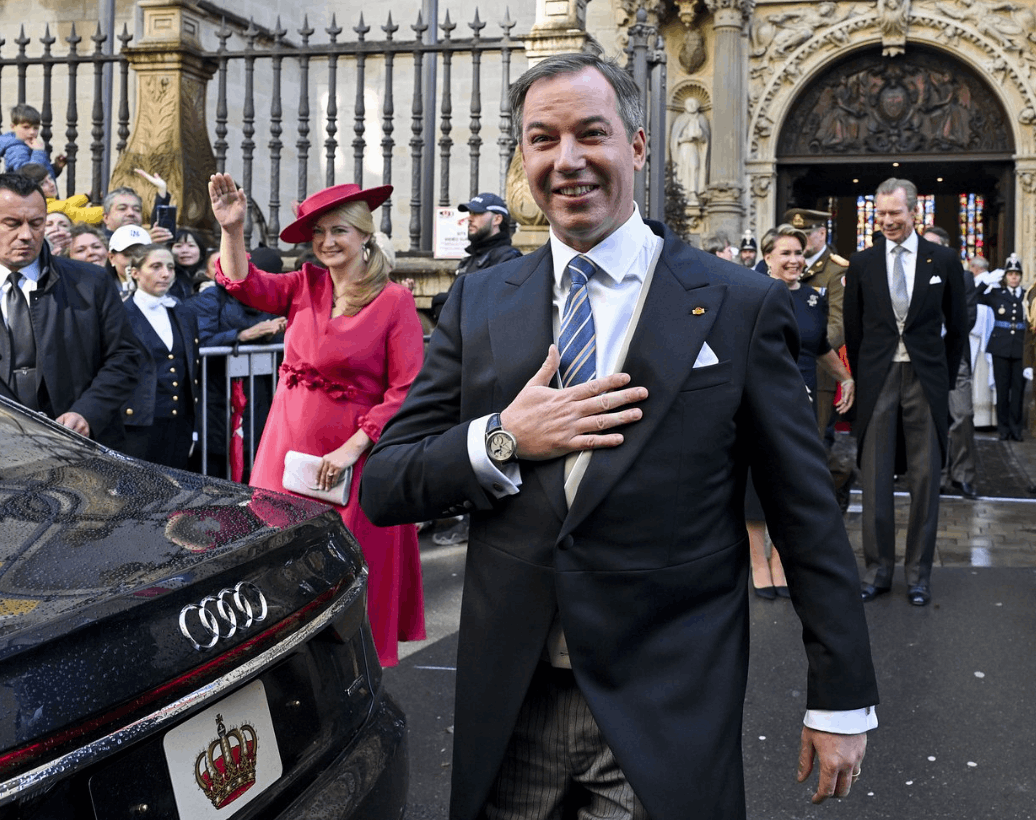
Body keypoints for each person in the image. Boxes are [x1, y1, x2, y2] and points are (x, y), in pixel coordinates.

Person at [359, 53, 877, 820]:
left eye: (590, 134)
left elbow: (804, 514)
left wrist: (839, 699)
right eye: (542, 140)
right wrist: (503, 437)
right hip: (514, 703)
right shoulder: (480, 300)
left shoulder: (738, 304)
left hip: (663, 702)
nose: (567, 161)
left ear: (636, 146)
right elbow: (386, 482)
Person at [208, 173, 426, 668]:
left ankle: (350, 678)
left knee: (347, 574)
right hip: (285, 450)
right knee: (278, 563)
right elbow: (245, 283)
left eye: (339, 231)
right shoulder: (304, 285)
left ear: (363, 234)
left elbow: (407, 388)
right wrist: (233, 230)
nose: (327, 242)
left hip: (352, 461)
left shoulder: (394, 301)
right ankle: (285, 666)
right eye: (319, 233)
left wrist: (354, 447)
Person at [844, 177, 968, 607]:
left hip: (925, 381)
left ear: (914, 212)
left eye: (895, 213)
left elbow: (958, 328)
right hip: (879, 379)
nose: (887, 221)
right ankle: (877, 572)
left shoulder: (944, 259)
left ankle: (918, 576)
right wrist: (864, 377)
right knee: (875, 480)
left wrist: (942, 380)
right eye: (880, 214)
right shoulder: (862, 263)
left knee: (925, 479)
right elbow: (855, 331)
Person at [748, 224, 855, 598]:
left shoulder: (813, 297)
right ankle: (758, 562)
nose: (795, 261)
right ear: (768, 258)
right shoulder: (751, 293)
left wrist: (845, 378)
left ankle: (780, 559)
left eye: (799, 253)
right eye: (786, 254)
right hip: (761, 402)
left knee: (791, 484)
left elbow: (820, 345)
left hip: (803, 403)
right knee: (756, 485)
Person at [0, 172, 140, 447]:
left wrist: (87, 412)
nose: (26, 235)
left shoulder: (91, 282)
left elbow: (124, 358)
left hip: (80, 450)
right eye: (12, 224)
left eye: (37, 223)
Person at [188, 245, 286, 479]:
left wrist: (275, 334)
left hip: (260, 392)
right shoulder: (213, 297)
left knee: (254, 457)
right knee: (218, 464)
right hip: (218, 393)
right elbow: (198, 342)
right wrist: (243, 336)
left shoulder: (275, 300)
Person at [120, 243, 200, 468]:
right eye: (155, 266)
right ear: (135, 273)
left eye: (170, 267)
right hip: (137, 424)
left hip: (180, 423)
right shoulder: (120, 315)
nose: (165, 274)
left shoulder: (184, 312)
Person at [925, 226, 979, 498]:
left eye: (934, 245)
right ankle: (936, 475)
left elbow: (967, 318)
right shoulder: (914, 275)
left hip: (954, 357)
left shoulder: (965, 277)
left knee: (963, 415)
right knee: (930, 419)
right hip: (924, 358)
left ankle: (962, 475)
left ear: (947, 249)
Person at [785, 208, 849, 437]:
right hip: (782, 368)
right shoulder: (782, 265)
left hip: (817, 368)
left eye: (805, 234)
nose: (800, 240)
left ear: (822, 233)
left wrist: (803, 349)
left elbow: (838, 324)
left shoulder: (836, 270)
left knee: (815, 439)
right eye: (795, 233)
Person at [430, 192, 523, 323]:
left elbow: (494, 310)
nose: (470, 218)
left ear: (497, 219)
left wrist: (443, 302)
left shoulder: (509, 259)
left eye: (477, 213)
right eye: (470, 213)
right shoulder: (468, 261)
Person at [977, 253, 1027, 440]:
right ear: (1005, 277)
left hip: (1020, 349)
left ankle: (1016, 429)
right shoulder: (997, 294)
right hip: (1000, 348)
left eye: (1016, 274)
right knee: (1002, 389)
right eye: (1010, 274)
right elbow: (975, 296)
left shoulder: (1027, 295)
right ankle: (1003, 429)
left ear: (1020, 276)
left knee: (1018, 391)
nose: (1013, 277)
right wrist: (986, 281)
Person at [0, 104, 65, 177]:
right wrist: (39, 151)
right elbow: (29, 176)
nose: (32, 132)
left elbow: (42, 176)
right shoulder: (16, 149)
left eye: (35, 128)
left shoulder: (27, 145)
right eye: (26, 127)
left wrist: (56, 168)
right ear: (13, 127)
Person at [669, 97, 710, 201]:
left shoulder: (701, 118)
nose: (692, 106)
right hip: (683, 148)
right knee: (682, 168)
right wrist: (683, 139)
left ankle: (693, 191)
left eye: (694, 103)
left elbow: (706, 138)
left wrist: (700, 136)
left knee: (694, 166)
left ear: (698, 106)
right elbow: (675, 139)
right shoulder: (680, 119)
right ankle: (682, 192)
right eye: (689, 103)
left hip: (694, 147)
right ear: (685, 106)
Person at [107, 224, 152, 298]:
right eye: (127, 254)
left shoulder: (164, 286)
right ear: (111, 257)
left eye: (141, 254)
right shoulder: (101, 291)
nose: (135, 260)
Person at [170, 227, 208, 298]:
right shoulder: (168, 278)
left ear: (201, 253)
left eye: (191, 245)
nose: (185, 250)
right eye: (178, 246)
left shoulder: (209, 277)